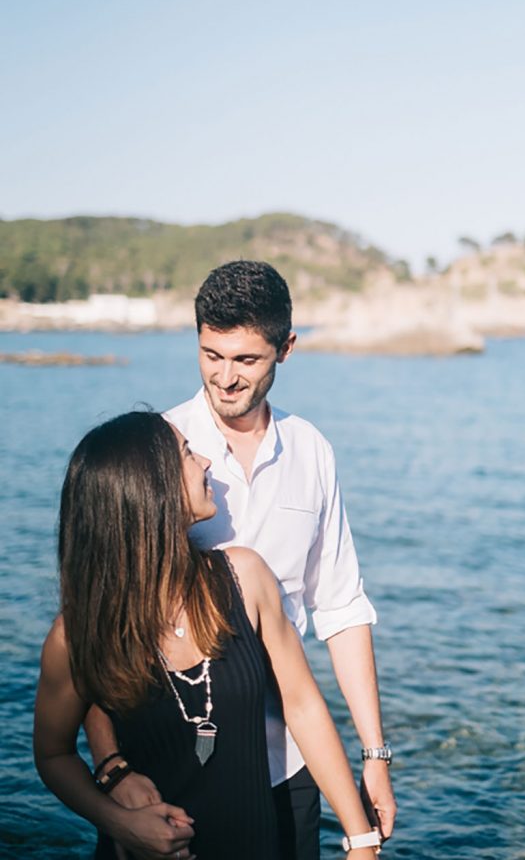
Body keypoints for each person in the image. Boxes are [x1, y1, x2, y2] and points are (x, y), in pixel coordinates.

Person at [86, 261, 396, 860]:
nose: (224, 378)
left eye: (246, 360)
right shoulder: (160, 448)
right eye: (210, 355)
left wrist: (374, 755)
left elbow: (340, 607)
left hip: (289, 761)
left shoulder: (312, 451)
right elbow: (102, 618)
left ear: (286, 349)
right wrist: (112, 768)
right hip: (170, 766)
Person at [34, 411, 382, 860]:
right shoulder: (75, 635)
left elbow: (303, 705)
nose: (205, 462)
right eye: (186, 454)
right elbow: (53, 755)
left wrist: (360, 839)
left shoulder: (245, 576)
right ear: (149, 490)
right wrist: (121, 820)